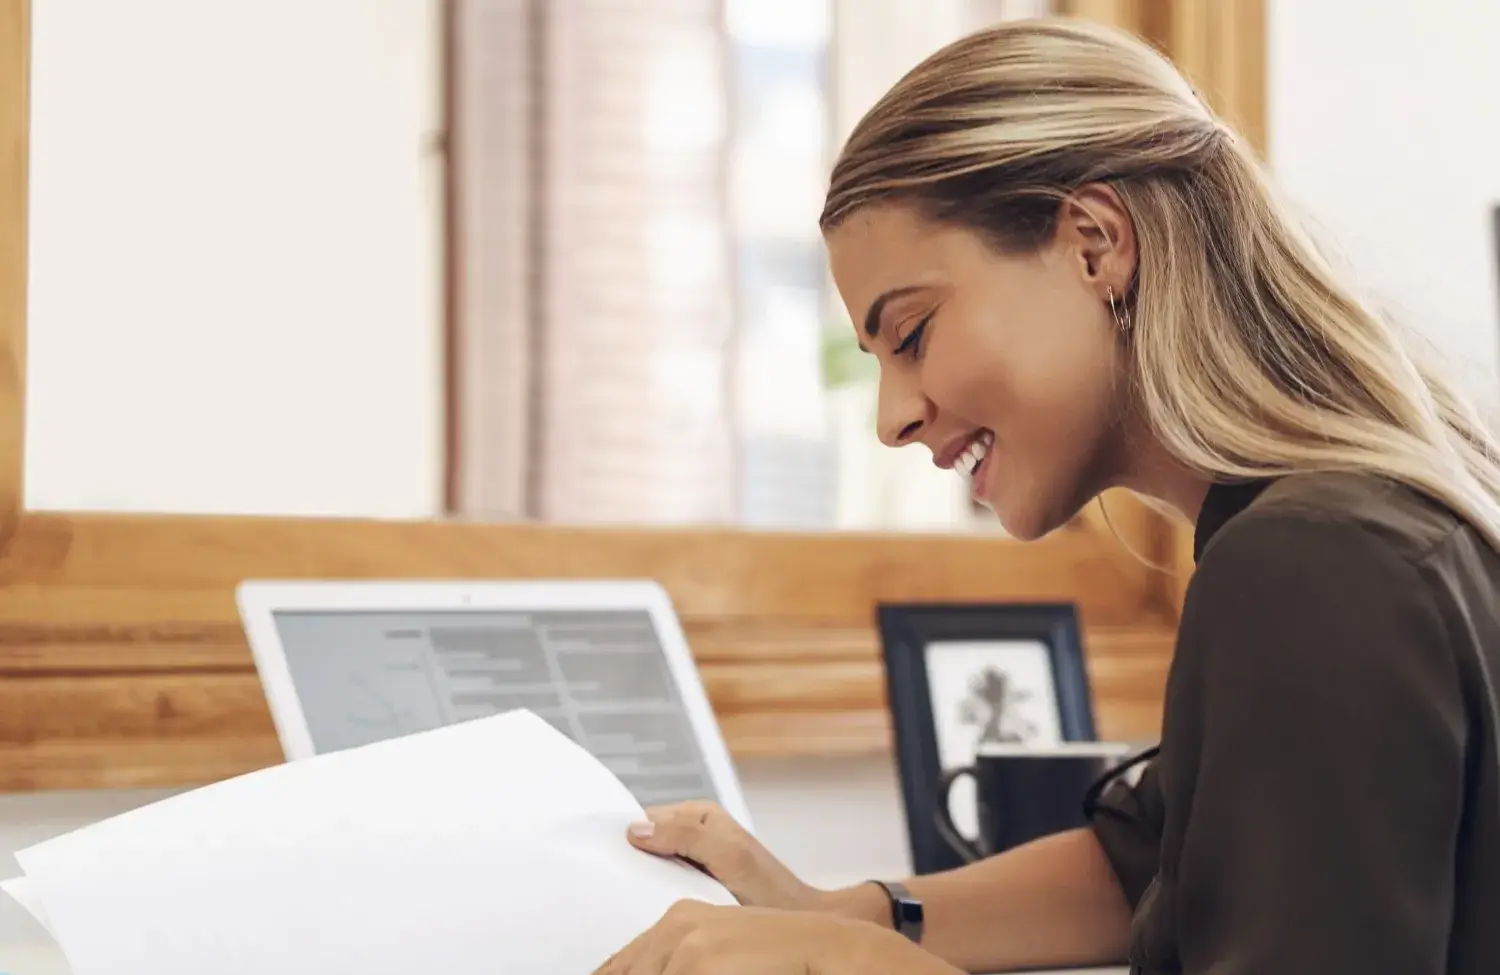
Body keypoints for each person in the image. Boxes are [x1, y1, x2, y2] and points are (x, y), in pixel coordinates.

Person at [591, 16, 1500, 975]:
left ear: (1096, 243)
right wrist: (835, 913)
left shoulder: (1313, 570)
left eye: (911, 335)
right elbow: (1148, 865)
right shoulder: (1355, 532)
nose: (892, 418)